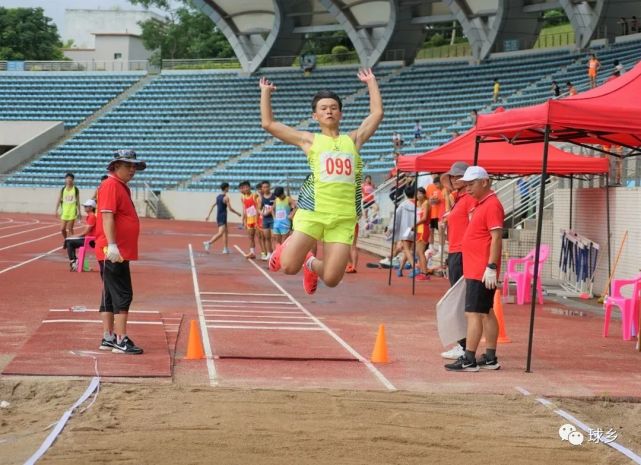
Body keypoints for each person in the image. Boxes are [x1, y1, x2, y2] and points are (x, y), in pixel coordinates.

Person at [260, 68, 383, 295]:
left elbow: (376, 114)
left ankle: (311, 265)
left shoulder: (353, 140)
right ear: (315, 116)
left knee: (333, 278)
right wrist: (265, 92)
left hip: (343, 218)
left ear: (341, 114)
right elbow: (269, 124)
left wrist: (371, 82)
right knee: (287, 267)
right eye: (323, 108)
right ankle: (289, 249)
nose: (329, 111)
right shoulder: (309, 140)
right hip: (314, 213)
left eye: (334, 108)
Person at [445, 166, 504, 372]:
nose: (467, 188)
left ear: (485, 182)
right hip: (476, 266)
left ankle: (469, 357)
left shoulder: (491, 205)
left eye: (471, 184)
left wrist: (491, 266)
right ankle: (489, 356)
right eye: (466, 184)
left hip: (480, 267)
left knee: (473, 313)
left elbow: (496, 237)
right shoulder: (482, 204)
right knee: (485, 312)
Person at [95, 149, 147, 355]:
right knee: (123, 294)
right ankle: (120, 339)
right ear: (116, 166)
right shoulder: (111, 185)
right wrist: (113, 245)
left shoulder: (119, 186)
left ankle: (108, 337)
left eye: (134, 166)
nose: (132, 169)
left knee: (109, 294)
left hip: (114, 249)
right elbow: (107, 216)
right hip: (114, 250)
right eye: (128, 165)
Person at [439, 162, 477, 360]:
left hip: (462, 253)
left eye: (457, 177)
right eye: (451, 177)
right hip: (455, 252)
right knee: (459, 301)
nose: (453, 179)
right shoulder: (458, 199)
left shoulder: (469, 199)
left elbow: (474, 224)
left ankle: (464, 345)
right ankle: (463, 344)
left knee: (460, 302)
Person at [203, 182, 241, 254]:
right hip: (222, 216)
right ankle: (208, 243)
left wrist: (208, 215)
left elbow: (212, 206)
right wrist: (238, 213)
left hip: (220, 216)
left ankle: (225, 249)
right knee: (221, 233)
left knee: (225, 232)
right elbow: (230, 209)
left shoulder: (218, 197)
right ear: (226, 188)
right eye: (228, 187)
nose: (229, 188)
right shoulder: (226, 198)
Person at [392, 184, 420, 278]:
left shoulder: (403, 204)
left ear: (405, 194)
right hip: (414, 228)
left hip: (406, 229)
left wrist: (391, 228)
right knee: (408, 250)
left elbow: (396, 216)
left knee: (406, 250)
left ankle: (414, 267)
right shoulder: (418, 204)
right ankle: (400, 269)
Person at [64, 199, 97, 271]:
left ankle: (74, 262)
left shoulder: (92, 217)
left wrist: (75, 236)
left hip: (91, 241)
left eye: (86, 206)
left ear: (91, 207)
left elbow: (85, 232)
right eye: (84, 206)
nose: (84, 207)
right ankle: (76, 262)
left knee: (69, 242)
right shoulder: (90, 216)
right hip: (89, 239)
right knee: (68, 240)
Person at [54, 172, 80, 246]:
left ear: (73, 180)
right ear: (65, 180)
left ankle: (72, 243)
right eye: (67, 178)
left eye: (70, 178)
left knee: (70, 229)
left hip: (72, 211)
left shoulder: (75, 189)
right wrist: (56, 210)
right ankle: (66, 239)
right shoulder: (63, 189)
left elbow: (78, 201)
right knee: (62, 228)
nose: (69, 180)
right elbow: (59, 199)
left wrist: (79, 212)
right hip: (64, 212)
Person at [411, 187, 431, 280]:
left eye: (420, 193)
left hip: (424, 229)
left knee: (420, 252)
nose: (419, 196)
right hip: (419, 229)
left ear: (424, 194)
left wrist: (414, 225)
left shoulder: (426, 203)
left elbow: (424, 218)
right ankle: (423, 272)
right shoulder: (420, 203)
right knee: (418, 253)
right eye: (417, 194)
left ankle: (425, 273)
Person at [238, 181, 260, 259]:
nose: (244, 189)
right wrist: (243, 220)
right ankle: (252, 252)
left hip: (256, 219)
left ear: (249, 187)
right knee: (251, 237)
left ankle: (265, 252)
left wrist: (259, 219)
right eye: (243, 188)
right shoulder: (243, 197)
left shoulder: (255, 195)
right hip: (249, 220)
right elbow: (244, 209)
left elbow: (258, 207)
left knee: (260, 237)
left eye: (246, 187)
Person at [259, 180, 276, 261]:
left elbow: (276, 206)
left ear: (270, 187)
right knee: (267, 237)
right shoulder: (261, 198)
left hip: (273, 219)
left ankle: (275, 253)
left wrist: (270, 211)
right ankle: (269, 253)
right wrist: (262, 213)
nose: (265, 188)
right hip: (265, 219)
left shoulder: (274, 196)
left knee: (274, 237)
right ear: (262, 188)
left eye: (267, 186)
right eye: (264, 187)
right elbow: (258, 209)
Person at [426, 175, 444, 252]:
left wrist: (438, 200)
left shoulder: (444, 188)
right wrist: (431, 201)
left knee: (441, 232)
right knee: (431, 231)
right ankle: (431, 248)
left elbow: (443, 199)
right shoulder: (429, 186)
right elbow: (428, 199)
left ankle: (441, 250)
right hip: (432, 212)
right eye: (432, 173)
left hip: (441, 213)